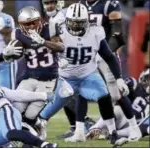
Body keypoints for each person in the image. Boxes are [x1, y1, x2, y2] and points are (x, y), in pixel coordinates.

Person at [37, 3, 131, 147]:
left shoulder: (95, 32)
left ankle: (113, 133)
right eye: (72, 23)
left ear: (87, 21)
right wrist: (57, 60)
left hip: (88, 76)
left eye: (79, 23)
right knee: (48, 110)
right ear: (66, 21)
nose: (75, 26)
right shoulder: (58, 31)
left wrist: (119, 79)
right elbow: (47, 51)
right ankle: (34, 129)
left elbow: (109, 57)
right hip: (66, 79)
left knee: (104, 96)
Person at [56, 0, 141, 141]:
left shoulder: (109, 4)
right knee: (81, 90)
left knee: (116, 93)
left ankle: (134, 128)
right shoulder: (80, 5)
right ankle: (79, 131)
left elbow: (118, 35)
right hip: (86, 53)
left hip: (103, 51)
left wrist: (101, 49)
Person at [3, 6, 74, 140]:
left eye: (34, 22)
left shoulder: (50, 28)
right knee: (16, 110)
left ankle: (34, 128)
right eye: (27, 24)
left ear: (40, 20)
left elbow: (61, 47)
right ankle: (32, 128)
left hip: (48, 79)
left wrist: (43, 41)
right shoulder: (17, 33)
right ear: (21, 25)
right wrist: (8, 55)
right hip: (29, 77)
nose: (31, 26)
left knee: (29, 115)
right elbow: (15, 54)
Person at [87, 68, 149, 140]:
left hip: (132, 125)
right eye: (148, 78)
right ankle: (97, 126)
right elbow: (117, 91)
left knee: (138, 129)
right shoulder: (134, 84)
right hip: (120, 116)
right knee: (118, 108)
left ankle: (112, 134)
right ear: (143, 78)